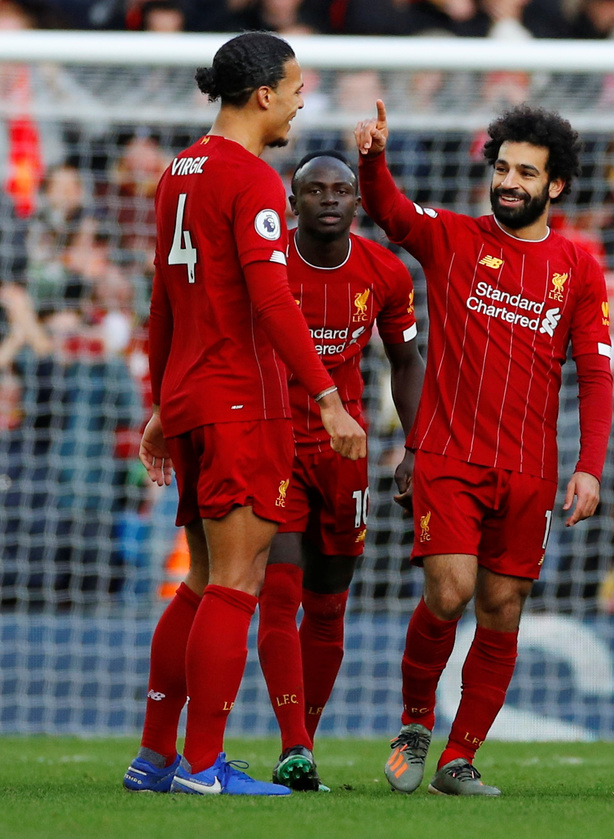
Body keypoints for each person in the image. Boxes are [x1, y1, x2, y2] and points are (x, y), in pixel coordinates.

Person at [122, 32, 366, 797]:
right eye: (295, 90)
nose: (299, 103)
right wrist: (327, 396)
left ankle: (155, 755)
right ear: (263, 94)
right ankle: (203, 765)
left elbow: (162, 300)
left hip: (192, 397)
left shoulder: (177, 172)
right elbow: (271, 300)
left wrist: (161, 401)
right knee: (236, 580)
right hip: (241, 402)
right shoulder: (253, 178)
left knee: (201, 579)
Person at [354, 100, 613, 796]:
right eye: (502, 168)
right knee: (450, 589)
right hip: (449, 455)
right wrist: (373, 158)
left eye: (526, 172)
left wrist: (591, 467)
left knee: (502, 608)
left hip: (529, 470)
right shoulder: (453, 238)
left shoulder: (578, 267)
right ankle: (415, 722)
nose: (509, 181)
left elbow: (596, 374)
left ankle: (458, 757)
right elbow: (389, 211)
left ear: (556, 184)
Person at [255, 151, 425, 792]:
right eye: (315, 189)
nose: (329, 199)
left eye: (342, 190)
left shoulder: (385, 270)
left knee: (327, 607)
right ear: (292, 203)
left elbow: (406, 361)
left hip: (344, 455)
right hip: (273, 445)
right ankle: (294, 748)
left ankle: (304, 740)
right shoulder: (265, 263)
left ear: (357, 202)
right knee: (279, 595)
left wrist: (416, 448)